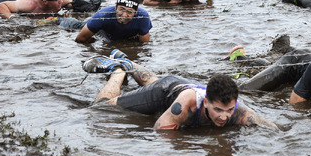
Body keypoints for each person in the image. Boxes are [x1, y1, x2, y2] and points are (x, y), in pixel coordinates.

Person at [84, 51, 276, 130]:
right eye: (218, 110)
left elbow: (273, 130)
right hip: (165, 92)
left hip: (183, 84)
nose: (224, 117)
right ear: (207, 102)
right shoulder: (185, 106)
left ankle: (129, 63)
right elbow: (160, 130)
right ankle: (118, 71)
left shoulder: (240, 112)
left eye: (229, 110)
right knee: (101, 108)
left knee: (155, 81)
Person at [74, 0, 151, 43]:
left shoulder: (143, 17)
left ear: (136, 11)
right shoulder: (102, 16)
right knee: (76, 25)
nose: (124, 15)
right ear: (116, 6)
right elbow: (80, 39)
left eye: (130, 12)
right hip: (98, 28)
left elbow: (144, 46)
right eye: (121, 9)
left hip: (119, 34)